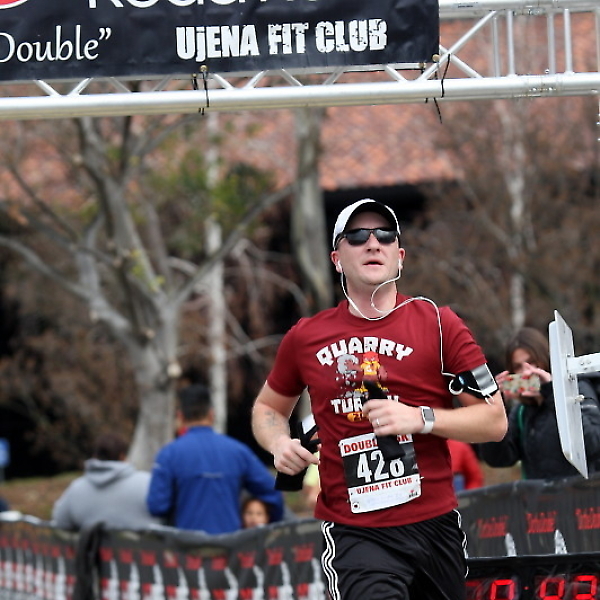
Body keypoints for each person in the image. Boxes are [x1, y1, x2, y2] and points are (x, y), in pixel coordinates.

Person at [251, 198, 507, 600]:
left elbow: (495, 422)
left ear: (399, 256)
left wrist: (420, 418)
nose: (373, 243)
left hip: (435, 524)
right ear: (337, 259)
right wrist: (279, 443)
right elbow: (267, 408)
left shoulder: (441, 324)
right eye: (357, 236)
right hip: (356, 532)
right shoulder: (305, 336)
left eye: (385, 235)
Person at [146, 383, 284, 534]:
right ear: (211, 414)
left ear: (180, 416)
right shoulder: (238, 452)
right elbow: (273, 492)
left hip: (186, 544)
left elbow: (157, 506)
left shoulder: (168, 454)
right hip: (230, 543)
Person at [480, 327, 600, 479]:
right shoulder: (522, 412)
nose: (527, 371)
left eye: (532, 362)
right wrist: (496, 407)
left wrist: (551, 392)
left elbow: (593, 442)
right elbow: (499, 459)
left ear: (545, 360)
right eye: (518, 367)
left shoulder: (578, 388)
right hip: (542, 494)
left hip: (584, 492)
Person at [52, 433, 160, 531]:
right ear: (122, 456)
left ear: (95, 456)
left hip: (93, 547)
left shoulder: (77, 487)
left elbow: (60, 521)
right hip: (140, 546)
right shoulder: (148, 482)